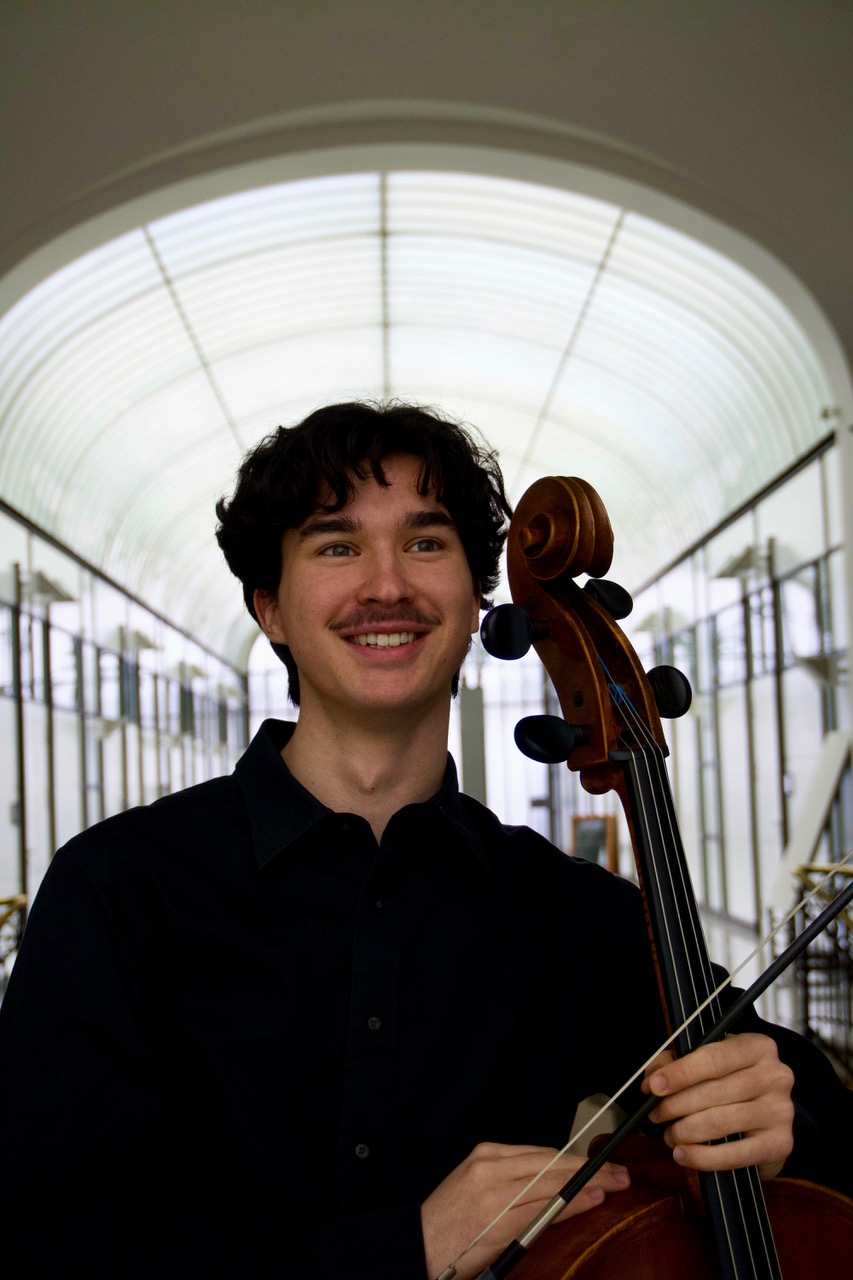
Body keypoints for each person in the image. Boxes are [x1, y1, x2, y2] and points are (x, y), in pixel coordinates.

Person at [0, 401, 850, 1279]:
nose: (386, 585)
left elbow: (811, 1107)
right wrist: (403, 1247)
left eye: (425, 542)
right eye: (335, 545)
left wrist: (782, 1111)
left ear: (479, 600)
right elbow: (45, 1243)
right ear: (271, 611)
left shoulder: (568, 915)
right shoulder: (117, 891)